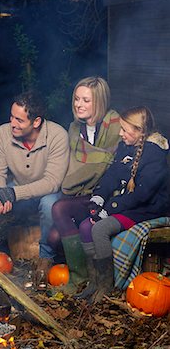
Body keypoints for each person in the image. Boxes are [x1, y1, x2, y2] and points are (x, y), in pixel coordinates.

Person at [0, 90, 70, 284]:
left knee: (51, 203)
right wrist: (0, 193)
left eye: (19, 120)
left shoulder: (57, 135)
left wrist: (12, 193)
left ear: (36, 122)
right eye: (11, 117)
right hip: (16, 191)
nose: (13, 123)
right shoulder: (2, 133)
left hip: (45, 194)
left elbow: (53, 181)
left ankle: (46, 258)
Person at [76, 106, 169, 303]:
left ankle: (106, 286)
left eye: (126, 130)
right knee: (85, 226)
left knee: (100, 229)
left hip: (146, 209)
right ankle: (94, 282)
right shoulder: (125, 147)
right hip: (127, 203)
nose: (120, 133)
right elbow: (113, 175)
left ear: (141, 132)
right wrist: (99, 197)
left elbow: (142, 195)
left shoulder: (155, 155)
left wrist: (108, 210)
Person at [49, 77, 121, 291]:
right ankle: (82, 277)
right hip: (80, 192)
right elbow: (75, 167)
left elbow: (111, 165)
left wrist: (94, 161)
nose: (78, 104)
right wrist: (94, 161)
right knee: (53, 237)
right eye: (76, 99)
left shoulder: (115, 124)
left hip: (107, 194)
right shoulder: (73, 129)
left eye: (86, 100)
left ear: (99, 101)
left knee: (59, 208)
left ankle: (80, 278)